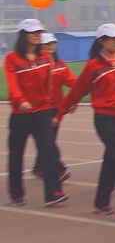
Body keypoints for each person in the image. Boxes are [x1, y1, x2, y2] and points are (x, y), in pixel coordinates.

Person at [56, 23, 115, 217]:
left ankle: (100, 203)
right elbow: (78, 90)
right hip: (105, 118)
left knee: (111, 160)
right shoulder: (94, 66)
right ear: (102, 41)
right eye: (113, 39)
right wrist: (61, 113)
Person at [5, 20, 69, 207]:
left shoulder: (44, 57)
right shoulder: (13, 58)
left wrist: (51, 102)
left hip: (42, 113)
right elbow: (13, 83)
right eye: (33, 32)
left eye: (39, 32)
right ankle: (16, 194)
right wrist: (20, 100)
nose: (37, 35)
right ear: (23, 35)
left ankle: (53, 193)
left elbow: (49, 83)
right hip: (21, 114)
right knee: (16, 154)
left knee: (48, 151)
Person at [33, 32, 75, 182]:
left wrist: (83, 89)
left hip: (57, 108)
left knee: (49, 140)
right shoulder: (37, 64)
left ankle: (39, 167)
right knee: (48, 141)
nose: (51, 46)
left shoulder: (60, 64)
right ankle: (59, 168)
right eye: (47, 44)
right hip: (41, 108)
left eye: (53, 43)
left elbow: (71, 81)